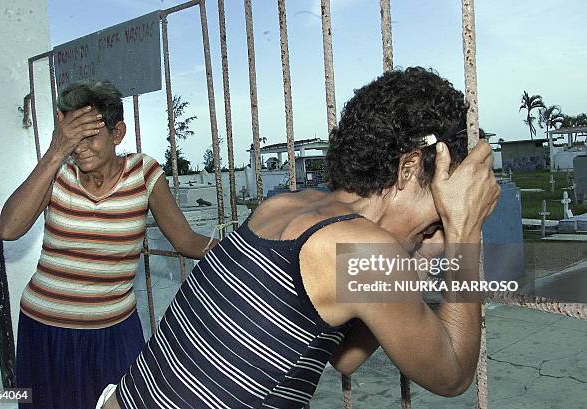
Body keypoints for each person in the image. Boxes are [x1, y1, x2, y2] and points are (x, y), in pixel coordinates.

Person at [100, 67, 500, 409]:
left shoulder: (286, 206)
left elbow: (344, 357)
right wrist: (466, 230)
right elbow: (452, 376)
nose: (438, 225)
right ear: (409, 168)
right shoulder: (361, 247)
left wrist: (423, 256)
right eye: (441, 207)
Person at [0, 80, 214, 409]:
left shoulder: (144, 173)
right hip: (45, 331)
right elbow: (8, 229)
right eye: (72, 137)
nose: (79, 147)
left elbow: (185, 240)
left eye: (90, 136)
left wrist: (243, 247)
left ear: (117, 133)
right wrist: (55, 152)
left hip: (114, 332)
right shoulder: (56, 174)